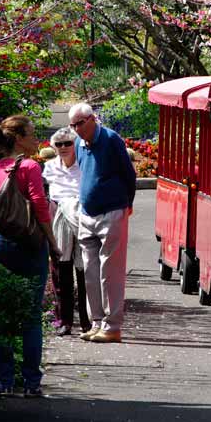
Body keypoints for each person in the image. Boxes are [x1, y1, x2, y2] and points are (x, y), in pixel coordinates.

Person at [0, 115, 60, 398]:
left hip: (1, 245)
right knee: (30, 316)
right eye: (31, 134)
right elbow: (40, 207)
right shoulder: (29, 166)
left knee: (2, 315)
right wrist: (52, 242)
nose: (36, 139)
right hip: (29, 245)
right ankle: (30, 382)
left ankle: (3, 381)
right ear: (18, 139)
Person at [69, 103, 136, 344]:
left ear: (92, 119)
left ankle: (112, 326)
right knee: (90, 272)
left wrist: (128, 202)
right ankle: (96, 322)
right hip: (87, 214)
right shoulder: (78, 143)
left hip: (112, 211)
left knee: (111, 272)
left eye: (80, 123)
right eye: (72, 125)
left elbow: (129, 175)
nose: (76, 129)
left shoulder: (111, 139)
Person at [43, 127, 91, 337]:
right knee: (61, 270)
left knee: (84, 269)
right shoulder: (49, 167)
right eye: (59, 144)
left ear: (76, 145)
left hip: (81, 215)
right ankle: (64, 320)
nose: (63, 148)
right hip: (58, 214)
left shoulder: (85, 164)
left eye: (67, 143)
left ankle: (87, 320)